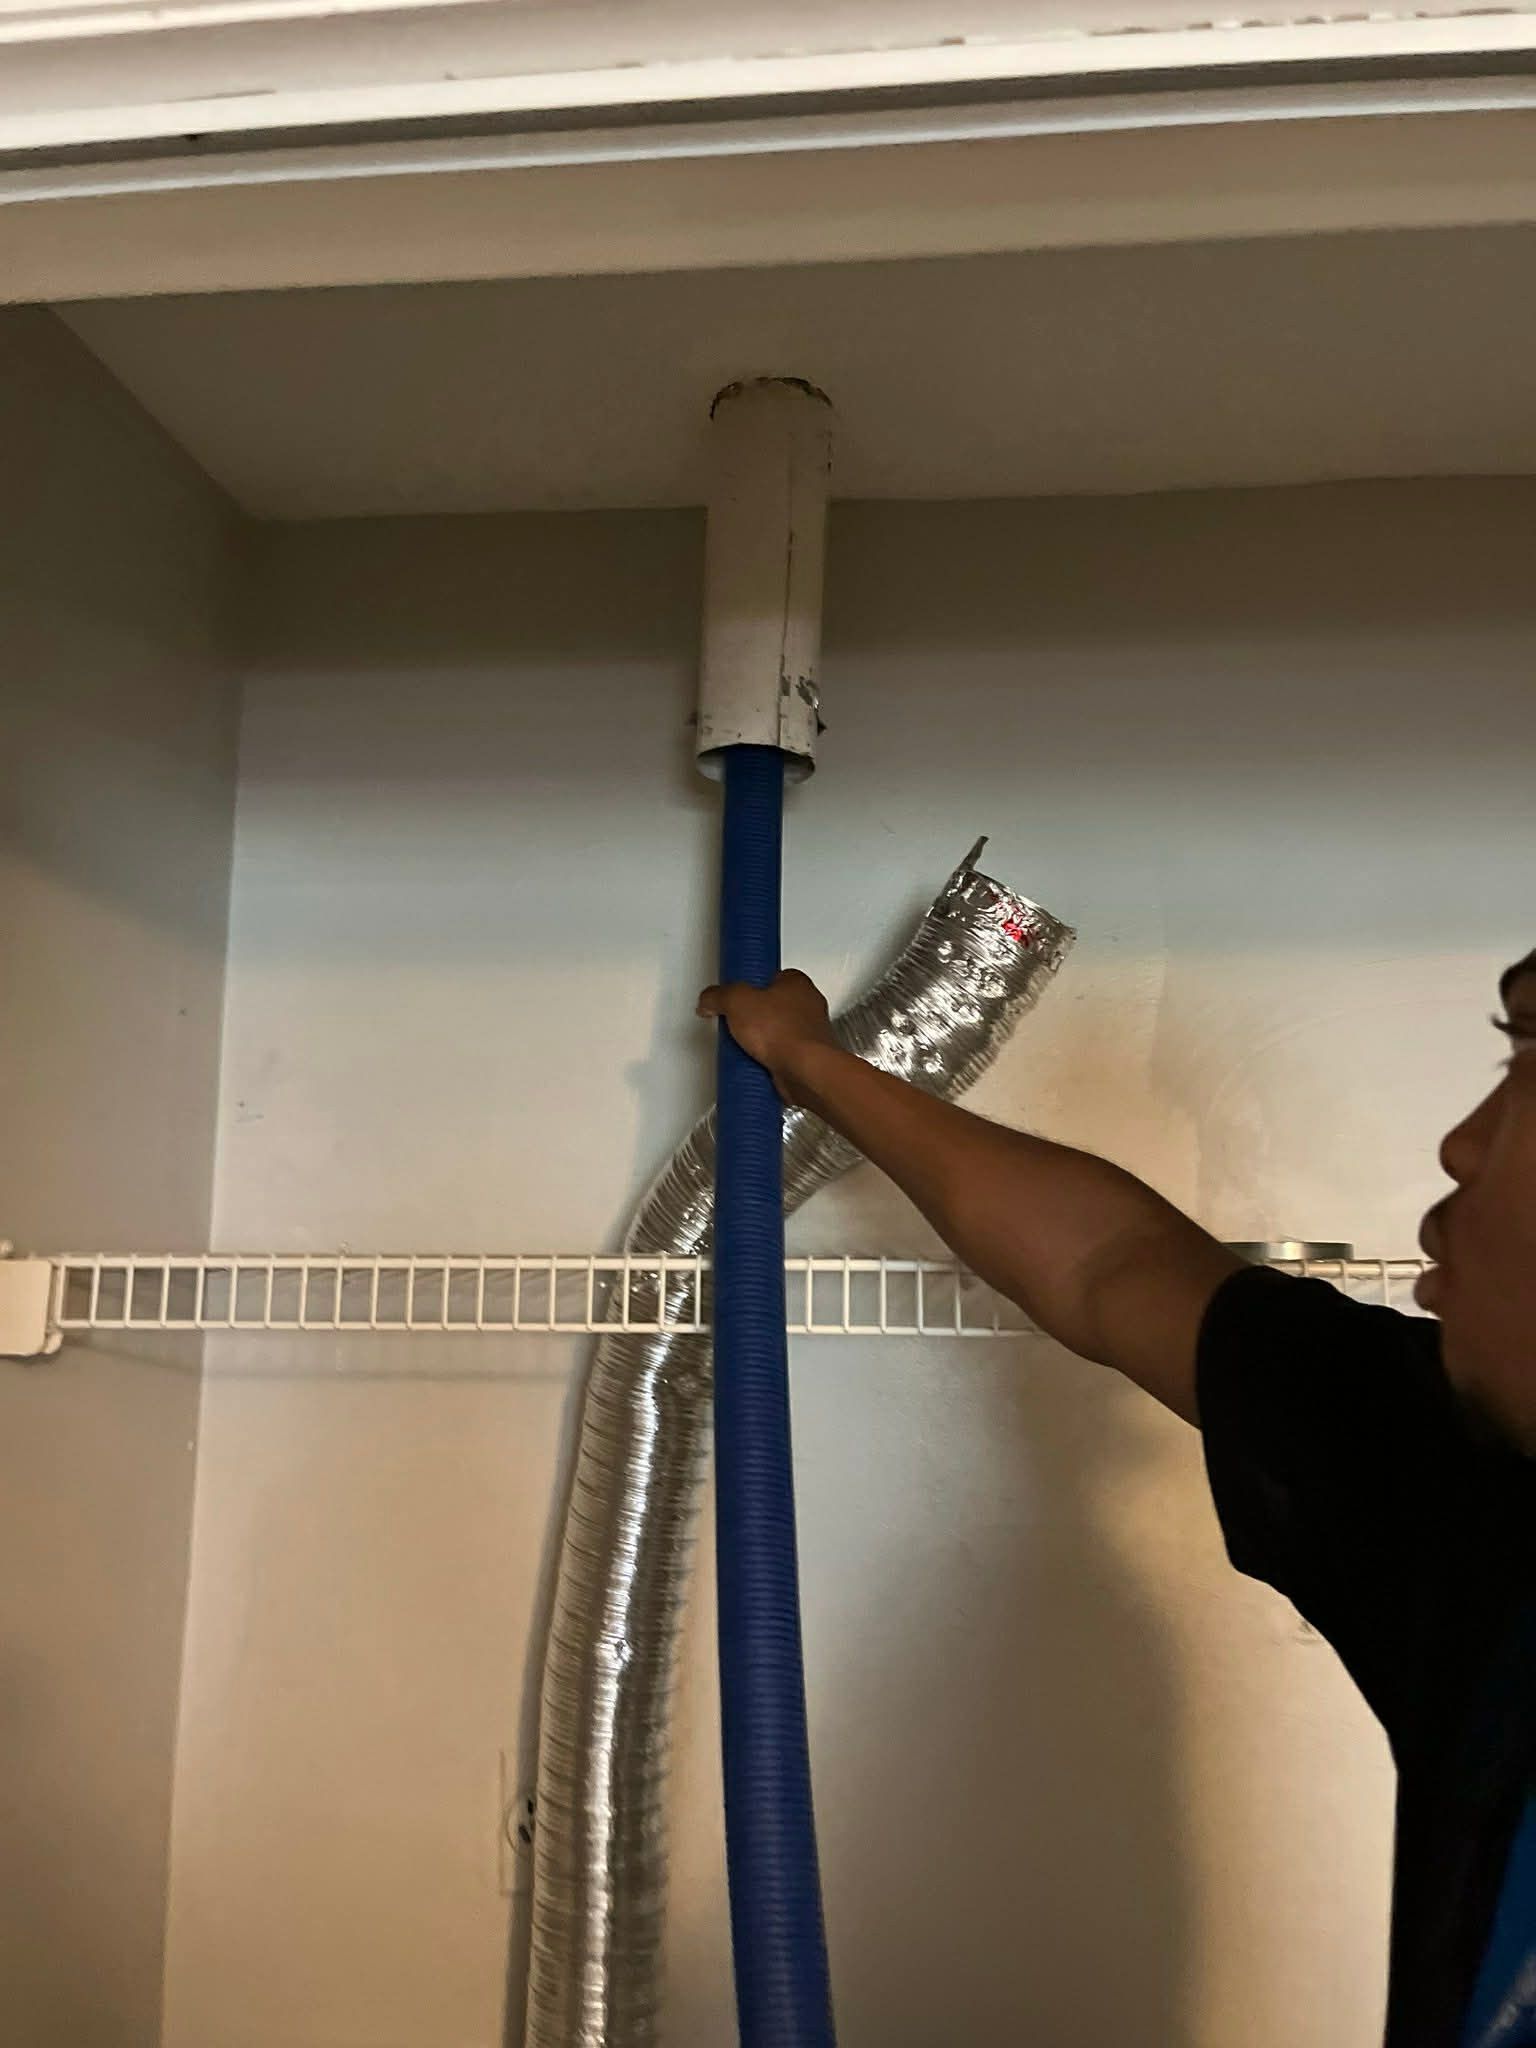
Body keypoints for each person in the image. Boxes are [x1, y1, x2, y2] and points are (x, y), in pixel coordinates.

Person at [698, 947, 1536, 2048]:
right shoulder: (1469, 1489)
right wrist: (810, 1062)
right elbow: (1112, 1260)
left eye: (1530, 1054)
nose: (1464, 1140)